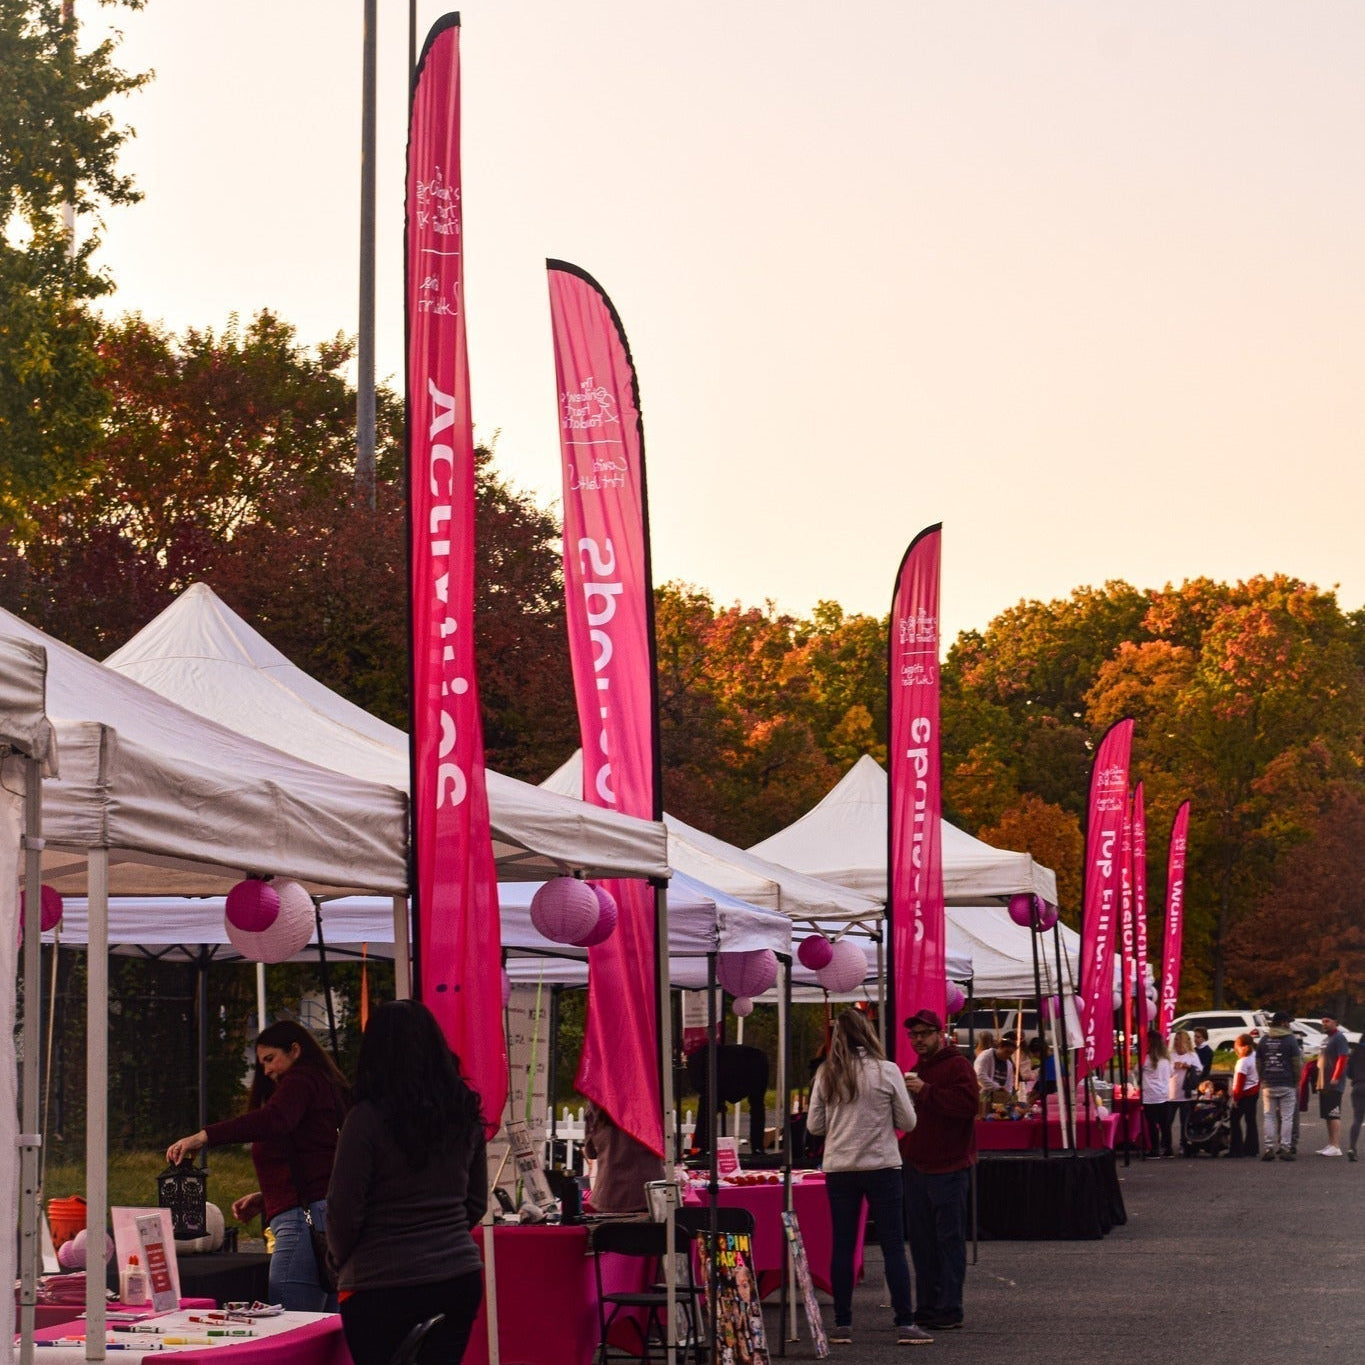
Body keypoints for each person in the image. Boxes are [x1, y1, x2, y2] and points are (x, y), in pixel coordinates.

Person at [326, 999, 488, 1365]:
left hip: (378, 1282)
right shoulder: (463, 1115)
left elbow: (343, 1209)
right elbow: (476, 1201)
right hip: (456, 1275)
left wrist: (339, 1258)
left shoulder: (364, 1120)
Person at [166, 1020, 349, 1310]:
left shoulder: (300, 1081)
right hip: (319, 1213)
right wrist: (267, 1198)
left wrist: (205, 1136)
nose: (266, 1070)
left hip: (302, 1221)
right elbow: (317, 1160)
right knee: (322, 1323)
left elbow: (274, 1120)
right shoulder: (320, 1083)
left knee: (291, 1320)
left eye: (270, 1059)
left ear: (295, 1050)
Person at [807, 1008, 927, 1346]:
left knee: (843, 1246)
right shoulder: (887, 1071)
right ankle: (905, 1322)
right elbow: (908, 1122)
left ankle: (843, 1324)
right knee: (892, 1246)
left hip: (840, 1167)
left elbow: (815, 1126)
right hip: (882, 1165)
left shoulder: (826, 1074)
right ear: (869, 1033)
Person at [900, 1008, 978, 1334]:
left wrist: (925, 1091)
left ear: (938, 1033)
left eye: (923, 1034)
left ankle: (950, 1307)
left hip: (948, 1168)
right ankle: (928, 1306)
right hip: (918, 1167)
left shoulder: (957, 1065)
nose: (917, 1040)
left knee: (948, 1241)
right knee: (921, 1242)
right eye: (913, 1035)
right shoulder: (918, 1069)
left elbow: (967, 1106)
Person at [583, 1101, 665, 1213]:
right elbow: (667, 1147)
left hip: (609, 1192)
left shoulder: (596, 1102)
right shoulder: (650, 1100)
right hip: (649, 1192)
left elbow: (590, 1152)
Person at [1255, 1011, 1303, 1161]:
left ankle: (1269, 1148)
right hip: (1287, 1082)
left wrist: (1262, 1077)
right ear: (1283, 1023)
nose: (1289, 1024)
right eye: (1288, 1021)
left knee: (1268, 1116)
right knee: (1287, 1117)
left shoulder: (1264, 1040)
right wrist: (1297, 1079)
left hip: (1268, 1083)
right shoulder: (1290, 1040)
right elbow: (1296, 1062)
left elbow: (1258, 1062)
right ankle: (1285, 1148)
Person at [1314, 1016, 1351, 1157]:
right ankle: (1330, 1144)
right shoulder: (1326, 1039)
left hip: (1334, 1083)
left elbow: (1342, 1058)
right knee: (1327, 1115)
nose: (1324, 1024)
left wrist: (1336, 1077)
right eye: (1322, 1021)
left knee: (1334, 1114)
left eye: (1327, 1021)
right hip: (1323, 1082)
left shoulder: (1339, 1037)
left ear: (1336, 1022)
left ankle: (1336, 1146)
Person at [1139, 1028, 1175, 1158]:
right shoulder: (1167, 1059)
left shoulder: (1146, 1059)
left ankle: (1154, 1149)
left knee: (1152, 1124)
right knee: (1165, 1124)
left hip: (1150, 1095)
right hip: (1164, 1094)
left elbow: (1136, 1072)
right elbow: (1171, 1074)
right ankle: (1168, 1148)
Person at [1228, 1034, 1260, 1158]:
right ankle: (1252, 1148)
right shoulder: (1255, 1056)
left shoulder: (1243, 1061)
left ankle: (1236, 1148)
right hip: (1253, 1092)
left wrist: (1235, 1098)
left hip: (1244, 1094)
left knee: (1234, 1120)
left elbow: (1240, 1082)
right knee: (1250, 1121)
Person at [1171, 1029, 1202, 1154]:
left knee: (1185, 1121)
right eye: (1175, 1040)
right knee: (1167, 1121)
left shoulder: (1192, 1055)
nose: (1176, 1043)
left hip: (1186, 1093)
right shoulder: (1171, 1055)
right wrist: (1173, 1066)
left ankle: (1183, 1144)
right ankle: (1165, 1144)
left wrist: (1187, 1066)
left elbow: (1199, 1070)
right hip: (1171, 1094)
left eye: (1179, 1040)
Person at [973, 1031, 1017, 1100]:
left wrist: (1007, 1093)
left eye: (1011, 1053)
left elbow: (1009, 1084)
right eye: (1006, 1052)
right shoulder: (986, 1056)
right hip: (983, 1095)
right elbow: (980, 1075)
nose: (1008, 1055)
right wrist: (997, 1088)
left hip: (999, 1098)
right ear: (1000, 1047)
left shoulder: (1009, 1064)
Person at [1346, 1036, 1365, 1162]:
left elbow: (1348, 1072)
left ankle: (1352, 1147)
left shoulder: (1356, 1051)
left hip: (1359, 1086)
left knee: (1357, 1119)